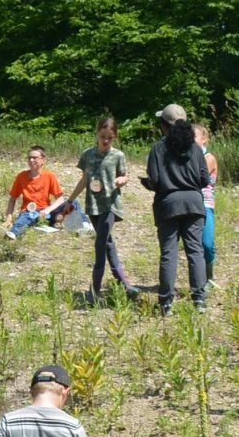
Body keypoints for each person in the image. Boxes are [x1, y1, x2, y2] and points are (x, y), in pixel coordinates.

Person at [143, 104, 213, 313]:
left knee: (169, 253)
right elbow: (204, 179)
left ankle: (166, 303)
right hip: (194, 204)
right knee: (195, 251)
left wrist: (148, 183)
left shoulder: (158, 149)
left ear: (164, 126)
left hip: (168, 205)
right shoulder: (195, 148)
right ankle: (199, 299)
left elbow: (154, 180)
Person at [68, 116, 134, 303]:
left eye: (110, 138)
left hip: (110, 205)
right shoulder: (87, 154)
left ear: (115, 137)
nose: (105, 141)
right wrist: (70, 200)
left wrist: (122, 180)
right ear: (96, 134)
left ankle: (94, 291)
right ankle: (125, 285)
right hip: (93, 205)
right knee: (108, 244)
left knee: (100, 244)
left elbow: (124, 176)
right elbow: (84, 180)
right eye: (103, 136)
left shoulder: (118, 156)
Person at [6, 146, 68, 238]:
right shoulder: (21, 177)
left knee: (73, 203)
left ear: (43, 160)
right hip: (29, 211)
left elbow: (60, 199)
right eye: (29, 158)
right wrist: (9, 218)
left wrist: (47, 210)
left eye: (34, 158)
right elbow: (12, 199)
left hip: (47, 212)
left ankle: (85, 226)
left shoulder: (49, 176)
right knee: (22, 221)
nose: (31, 160)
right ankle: (13, 234)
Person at [196, 122, 220, 279]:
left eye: (195, 137)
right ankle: (200, 278)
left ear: (204, 139)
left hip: (205, 205)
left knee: (207, 244)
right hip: (192, 204)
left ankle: (209, 275)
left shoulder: (208, 158)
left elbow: (197, 174)